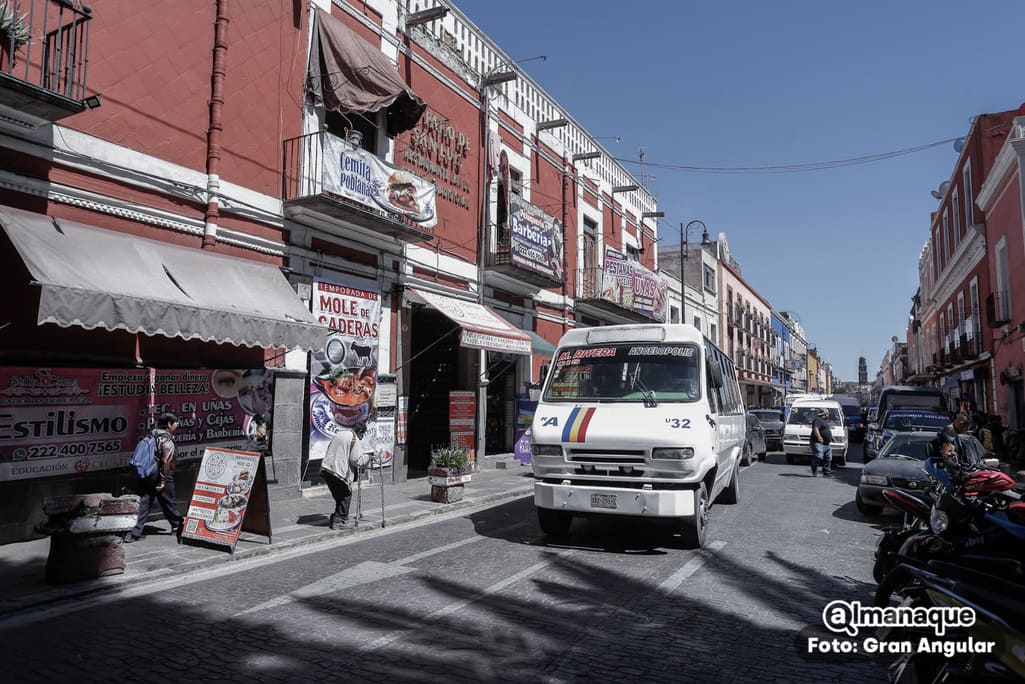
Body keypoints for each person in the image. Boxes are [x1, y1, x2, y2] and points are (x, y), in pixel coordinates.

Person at [126, 412, 185, 542]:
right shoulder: (166, 440)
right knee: (168, 501)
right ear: (169, 424)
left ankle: (135, 532)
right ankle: (178, 526)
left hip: (147, 474)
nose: (177, 424)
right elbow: (166, 462)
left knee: (144, 502)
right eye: (175, 422)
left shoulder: (150, 435)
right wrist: (162, 481)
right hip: (160, 475)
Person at [320, 421, 370, 529]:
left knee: (339, 496)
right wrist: (367, 457)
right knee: (346, 495)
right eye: (363, 434)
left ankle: (336, 518)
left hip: (326, 468)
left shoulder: (340, 434)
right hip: (338, 471)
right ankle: (340, 521)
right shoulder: (354, 438)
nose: (362, 437)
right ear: (360, 431)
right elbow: (355, 460)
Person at [810, 408, 833, 478]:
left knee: (828, 458)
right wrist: (819, 437)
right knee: (819, 456)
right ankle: (814, 469)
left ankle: (826, 472)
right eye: (827, 414)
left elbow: (826, 430)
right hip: (818, 442)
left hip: (826, 444)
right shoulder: (818, 420)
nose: (828, 415)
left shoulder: (824, 421)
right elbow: (816, 428)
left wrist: (831, 437)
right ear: (824, 414)